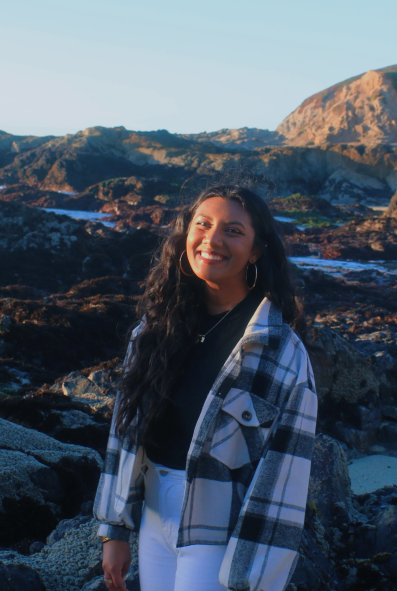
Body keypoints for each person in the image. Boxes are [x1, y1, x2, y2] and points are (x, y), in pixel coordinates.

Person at [93, 185, 319, 591]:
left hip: (219, 538)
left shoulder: (281, 351)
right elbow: (123, 434)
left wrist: (249, 576)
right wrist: (115, 529)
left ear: (255, 250)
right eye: (204, 224)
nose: (212, 240)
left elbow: (283, 474)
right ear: (186, 235)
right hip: (153, 521)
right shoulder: (154, 331)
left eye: (233, 230)